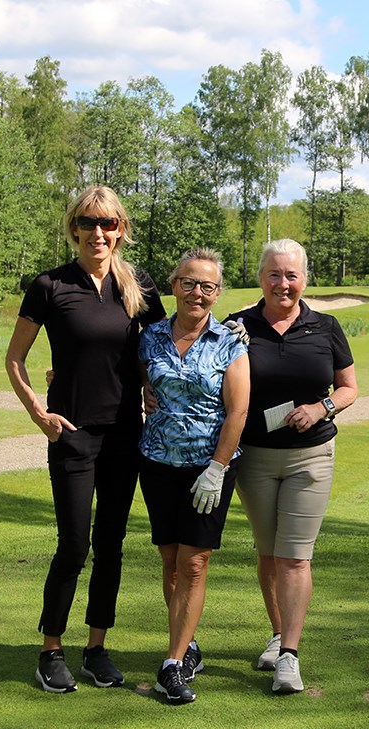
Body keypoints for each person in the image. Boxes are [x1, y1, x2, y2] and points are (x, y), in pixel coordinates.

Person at [6, 185, 166, 693]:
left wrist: (151, 387)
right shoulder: (50, 286)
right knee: (74, 545)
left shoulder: (137, 287)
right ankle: (51, 649)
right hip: (72, 433)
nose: (99, 233)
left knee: (112, 545)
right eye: (89, 223)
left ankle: (96, 647)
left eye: (109, 224)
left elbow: (161, 348)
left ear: (121, 230)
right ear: (74, 228)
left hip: (124, 435)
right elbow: (15, 359)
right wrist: (39, 410)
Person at [228, 238, 358, 694]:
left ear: (305, 278)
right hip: (256, 460)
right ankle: (279, 632)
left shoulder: (325, 326)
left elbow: (348, 388)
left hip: (312, 456)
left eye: (292, 275)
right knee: (268, 555)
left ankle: (290, 655)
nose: (284, 284)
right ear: (261, 277)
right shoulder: (237, 326)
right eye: (274, 274)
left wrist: (321, 408)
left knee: (294, 557)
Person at [138, 248, 249, 705]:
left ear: (218, 293)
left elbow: (238, 410)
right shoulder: (149, 337)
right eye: (188, 283)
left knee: (194, 562)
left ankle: (172, 664)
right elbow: (122, 376)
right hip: (157, 463)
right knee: (169, 560)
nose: (196, 293)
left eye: (206, 286)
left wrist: (217, 469)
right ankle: (187, 646)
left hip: (209, 468)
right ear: (173, 285)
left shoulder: (230, 342)